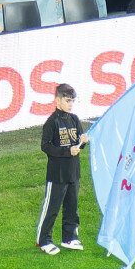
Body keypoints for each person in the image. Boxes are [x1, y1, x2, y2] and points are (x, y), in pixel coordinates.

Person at [36, 81, 85, 254]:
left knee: (72, 207)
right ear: (57, 100)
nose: (70, 104)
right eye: (67, 101)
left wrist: (83, 142)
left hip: (73, 172)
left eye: (72, 101)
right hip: (57, 174)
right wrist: (67, 151)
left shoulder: (74, 119)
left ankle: (69, 237)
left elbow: (78, 143)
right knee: (51, 209)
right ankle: (44, 240)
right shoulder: (52, 122)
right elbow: (45, 146)